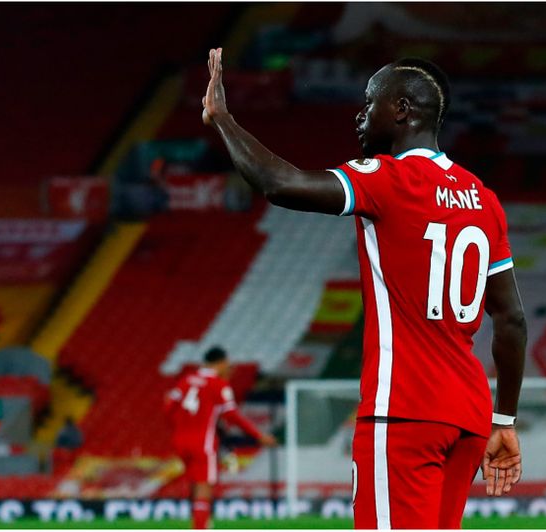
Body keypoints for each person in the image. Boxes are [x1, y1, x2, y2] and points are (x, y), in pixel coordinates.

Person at [202, 48, 526, 528]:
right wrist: (505, 420)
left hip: (405, 409)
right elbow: (512, 319)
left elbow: (279, 184)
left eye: (370, 102)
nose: (360, 115)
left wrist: (223, 119)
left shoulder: (388, 179)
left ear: (401, 110)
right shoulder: (484, 198)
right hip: (470, 418)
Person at [164, 346, 277, 529]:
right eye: (228, 364)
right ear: (222, 362)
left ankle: (202, 521)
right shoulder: (219, 385)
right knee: (204, 486)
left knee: (194, 482)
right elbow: (232, 414)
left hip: (180, 440)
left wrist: (182, 425)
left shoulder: (186, 380)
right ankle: (200, 526)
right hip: (202, 441)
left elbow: (169, 408)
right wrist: (258, 435)